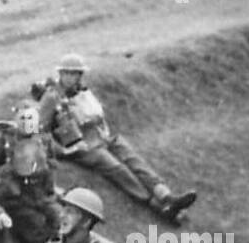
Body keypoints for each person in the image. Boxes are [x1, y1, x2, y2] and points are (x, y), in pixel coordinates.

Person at [37, 54, 196, 222]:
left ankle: (165, 195)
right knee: (116, 167)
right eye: (67, 73)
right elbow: (40, 131)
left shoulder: (83, 92)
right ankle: (154, 204)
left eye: (75, 74)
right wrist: (65, 150)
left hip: (101, 138)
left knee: (132, 158)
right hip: (83, 147)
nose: (71, 78)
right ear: (60, 74)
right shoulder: (52, 97)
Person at [0, 104, 62, 243]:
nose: (27, 123)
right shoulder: (7, 138)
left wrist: (50, 194)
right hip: (16, 198)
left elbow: (51, 165)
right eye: (23, 118)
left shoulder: (44, 139)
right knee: (36, 231)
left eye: (31, 118)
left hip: (41, 194)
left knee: (60, 218)